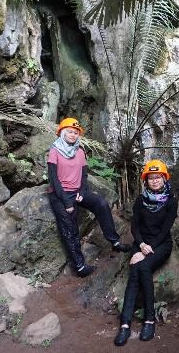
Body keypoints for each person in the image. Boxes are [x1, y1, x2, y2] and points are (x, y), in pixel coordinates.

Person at [47, 117, 131, 278]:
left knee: (101, 204)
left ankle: (114, 241)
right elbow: (53, 178)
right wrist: (66, 202)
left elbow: (84, 174)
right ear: (63, 133)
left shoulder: (80, 151)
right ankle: (79, 266)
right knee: (70, 228)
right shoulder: (55, 151)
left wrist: (81, 191)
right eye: (70, 132)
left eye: (76, 133)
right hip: (59, 194)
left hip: (76, 191)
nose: (73, 135)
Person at [114, 160, 178, 346]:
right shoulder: (141, 200)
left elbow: (165, 229)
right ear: (146, 181)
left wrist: (146, 250)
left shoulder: (171, 201)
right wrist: (141, 245)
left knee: (142, 268)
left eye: (158, 177)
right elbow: (135, 226)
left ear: (164, 178)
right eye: (151, 178)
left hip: (161, 244)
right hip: (142, 243)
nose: (155, 181)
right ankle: (125, 325)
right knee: (135, 272)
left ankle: (149, 320)